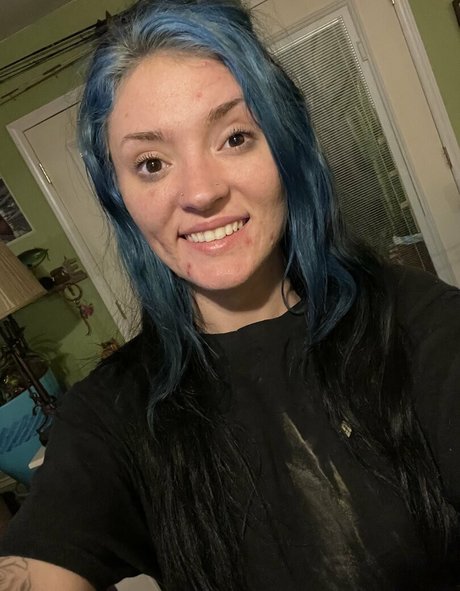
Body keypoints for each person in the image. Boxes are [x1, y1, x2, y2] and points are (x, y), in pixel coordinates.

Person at [1, 0, 459, 589]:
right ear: (121, 198)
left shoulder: (414, 323)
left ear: (286, 149)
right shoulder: (108, 416)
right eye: (151, 163)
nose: (200, 192)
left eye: (235, 137)